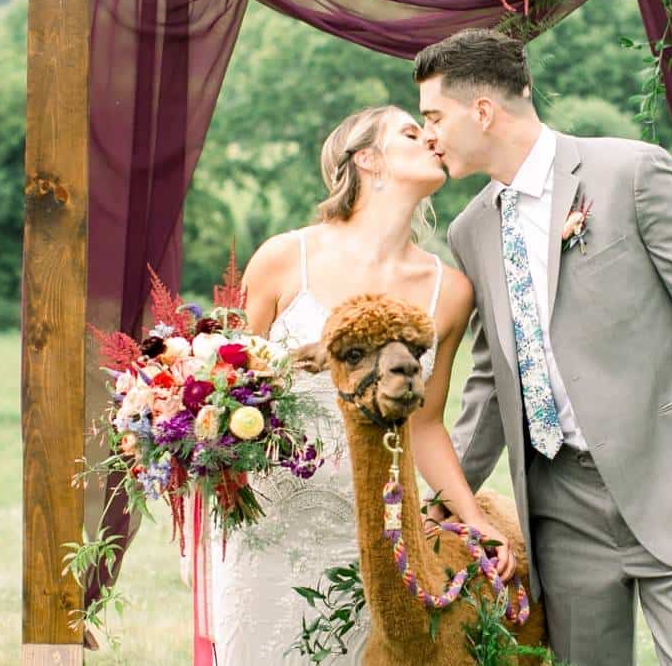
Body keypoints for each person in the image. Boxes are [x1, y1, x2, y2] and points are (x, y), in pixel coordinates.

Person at [416, 28, 672, 666]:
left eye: (434, 116)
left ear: (481, 111)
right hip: (559, 509)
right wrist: (452, 500)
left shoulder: (630, 172)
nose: (428, 136)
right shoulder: (470, 229)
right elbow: (489, 379)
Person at [214, 104, 511, 664]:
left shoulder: (448, 291)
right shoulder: (284, 259)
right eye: (410, 131)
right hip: (270, 524)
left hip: (377, 527)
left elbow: (424, 426)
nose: (431, 138)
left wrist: (474, 520)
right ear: (367, 159)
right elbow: (222, 388)